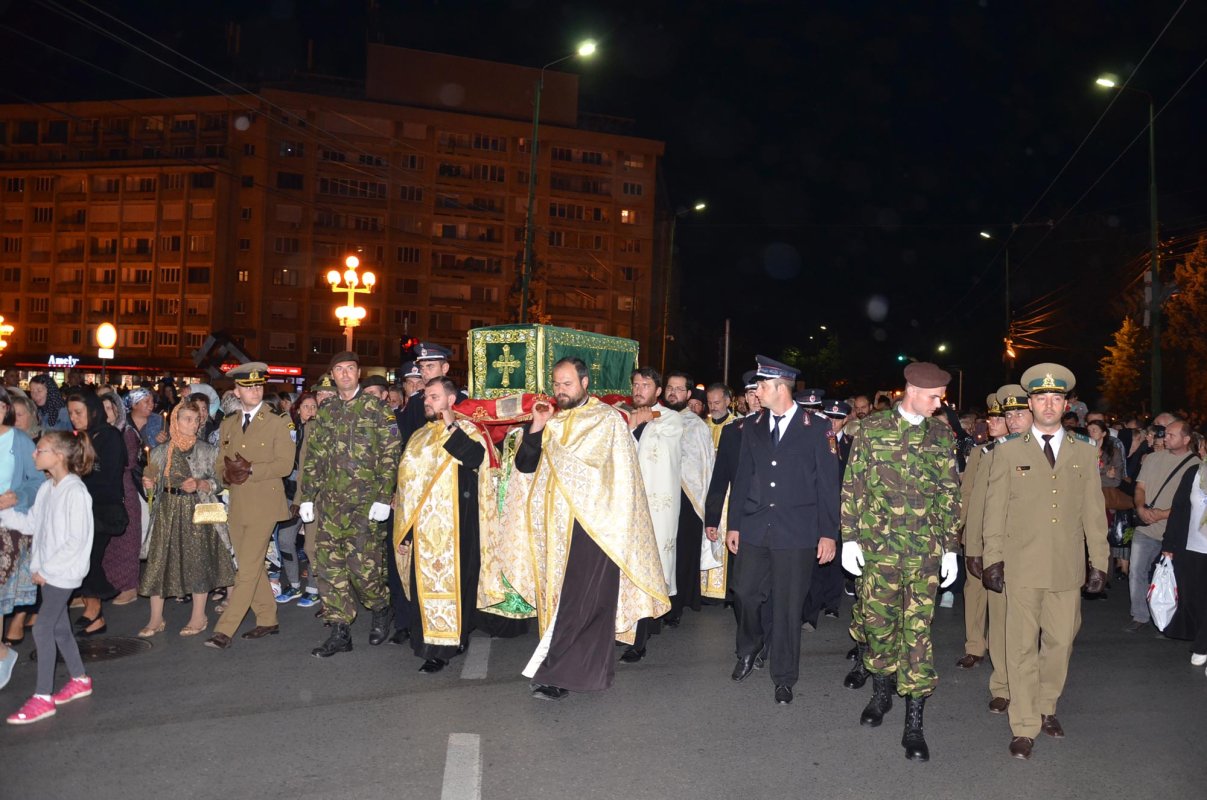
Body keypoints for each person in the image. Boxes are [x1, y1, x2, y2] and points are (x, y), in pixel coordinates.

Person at [493, 357, 669, 700]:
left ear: (585, 384)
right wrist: (538, 428)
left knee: (583, 603)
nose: (560, 390)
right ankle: (580, 672)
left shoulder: (606, 421)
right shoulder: (551, 421)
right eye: (557, 384)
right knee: (564, 602)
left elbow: (618, 478)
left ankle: (557, 675)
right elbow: (526, 467)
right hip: (554, 531)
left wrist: (559, 456)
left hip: (595, 527)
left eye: (567, 384)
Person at [981, 363, 1109, 760]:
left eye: (1056, 398)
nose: (1049, 405)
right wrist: (992, 558)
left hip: (1066, 568)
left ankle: (1046, 705)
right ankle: (1024, 725)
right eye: (1041, 398)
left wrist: (1099, 561)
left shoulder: (1084, 453)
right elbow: (994, 509)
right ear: (1031, 403)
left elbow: (1093, 511)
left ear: (1066, 404)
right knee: (1019, 647)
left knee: (1060, 643)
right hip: (1021, 566)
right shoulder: (1008, 451)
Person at [841, 362, 960, 761]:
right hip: (878, 550)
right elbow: (853, 484)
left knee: (918, 634)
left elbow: (949, 495)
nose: (938, 403)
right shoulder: (871, 430)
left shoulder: (942, 434)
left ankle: (914, 720)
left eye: (940, 397)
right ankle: (881, 695)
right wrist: (850, 537)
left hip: (925, 552)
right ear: (911, 390)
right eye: (933, 397)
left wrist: (950, 548)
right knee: (878, 626)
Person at [728, 356, 839, 707]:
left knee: (788, 607)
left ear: (779, 387)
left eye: (761, 386)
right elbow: (742, 475)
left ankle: (784, 677)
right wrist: (734, 524)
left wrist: (828, 533)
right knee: (744, 593)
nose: (756, 392)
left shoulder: (816, 428)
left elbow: (827, 485)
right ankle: (750, 645)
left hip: (797, 532)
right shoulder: (754, 425)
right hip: (755, 526)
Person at [299, 352, 399, 657]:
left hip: (365, 505)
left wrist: (384, 497)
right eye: (339, 370)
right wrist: (306, 496)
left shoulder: (377, 408)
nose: (344, 374)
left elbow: (391, 453)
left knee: (364, 571)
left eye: (350, 369)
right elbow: (314, 457)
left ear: (359, 373)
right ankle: (340, 629)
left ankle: (381, 608)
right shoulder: (326, 411)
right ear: (332, 374)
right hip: (330, 505)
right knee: (329, 569)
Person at [393, 377, 492, 673]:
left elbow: (474, 458)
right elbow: (408, 485)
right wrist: (407, 527)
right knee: (424, 590)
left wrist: (451, 426)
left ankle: (445, 648)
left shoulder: (469, 429)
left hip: (457, 527)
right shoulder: (419, 437)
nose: (427, 401)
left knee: (455, 587)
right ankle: (429, 642)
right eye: (426, 397)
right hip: (423, 529)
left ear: (450, 400)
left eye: (434, 397)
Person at [1, 430, 96, 725]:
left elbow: (76, 541)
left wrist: (47, 569)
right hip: (50, 571)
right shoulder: (47, 488)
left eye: (39, 449)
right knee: (58, 629)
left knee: (42, 629)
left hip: (63, 574)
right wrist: (4, 513)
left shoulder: (75, 491)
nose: (33, 454)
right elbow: (32, 523)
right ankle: (79, 678)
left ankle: (43, 697)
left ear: (58, 455)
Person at [205, 363, 295, 650]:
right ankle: (268, 619)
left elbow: (285, 465)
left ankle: (225, 630)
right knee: (248, 565)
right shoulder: (228, 423)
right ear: (236, 391)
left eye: (258, 386)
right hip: (239, 503)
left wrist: (251, 469)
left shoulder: (279, 421)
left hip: (265, 504)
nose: (255, 390)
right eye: (248, 387)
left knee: (245, 570)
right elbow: (220, 461)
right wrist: (225, 474)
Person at [137, 401, 233, 637]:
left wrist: (201, 483)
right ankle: (156, 618)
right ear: (175, 422)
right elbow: (151, 484)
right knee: (159, 562)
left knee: (197, 561)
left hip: (199, 510)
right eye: (186, 419)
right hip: (168, 511)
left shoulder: (208, 451)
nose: (192, 423)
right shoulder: (160, 451)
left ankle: (199, 616)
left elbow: (222, 481)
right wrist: (148, 483)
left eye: (195, 419)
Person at [622, 367, 682, 662]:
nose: (639, 389)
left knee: (649, 568)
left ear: (658, 391)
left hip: (655, 510)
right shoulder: (622, 416)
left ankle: (640, 640)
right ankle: (623, 629)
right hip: (624, 507)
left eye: (646, 384)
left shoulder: (671, 419)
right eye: (635, 384)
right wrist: (633, 424)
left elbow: (659, 451)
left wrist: (641, 425)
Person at [1127, 419, 1200, 631]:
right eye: (1165, 434)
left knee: (1175, 577)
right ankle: (1139, 615)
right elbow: (1140, 487)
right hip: (1146, 526)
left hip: (1175, 532)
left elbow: (1191, 504)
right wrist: (1140, 508)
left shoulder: (1195, 466)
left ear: (1186, 439)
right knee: (1137, 571)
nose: (1164, 438)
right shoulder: (1152, 459)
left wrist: (1163, 515)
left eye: (1171, 435)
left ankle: (1171, 619)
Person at [66, 390, 128, 638]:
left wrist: (77, 479)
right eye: (70, 413)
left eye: (78, 412)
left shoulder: (109, 436)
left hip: (101, 510)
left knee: (89, 559)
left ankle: (96, 605)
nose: (73, 417)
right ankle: (95, 610)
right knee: (83, 559)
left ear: (92, 411)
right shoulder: (82, 436)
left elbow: (109, 477)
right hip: (81, 509)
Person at [0, 388, 46, 685]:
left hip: (7, 525)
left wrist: (17, 496)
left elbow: (38, 479)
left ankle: (1, 656)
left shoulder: (19, 440)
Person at [662, 371, 715, 630]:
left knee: (681, 554)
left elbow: (702, 465)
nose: (673, 392)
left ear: (688, 394)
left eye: (679, 389)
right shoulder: (656, 419)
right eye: (669, 388)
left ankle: (677, 604)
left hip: (687, 498)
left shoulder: (696, 425)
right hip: (660, 496)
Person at [801, 398, 853, 631]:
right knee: (816, 559)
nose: (833, 422)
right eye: (829, 417)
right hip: (816, 506)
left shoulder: (852, 445)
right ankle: (809, 613)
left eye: (838, 418)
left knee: (837, 558)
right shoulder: (814, 439)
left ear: (845, 420)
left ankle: (832, 602)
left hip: (844, 509)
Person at [95, 390, 142, 607]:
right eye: (101, 408)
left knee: (125, 541)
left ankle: (129, 587)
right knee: (107, 543)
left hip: (123, 490)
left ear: (117, 409)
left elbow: (128, 463)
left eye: (108, 408)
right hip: (105, 490)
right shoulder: (98, 433)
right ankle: (109, 584)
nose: (105, 413)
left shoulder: (127, 433)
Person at [1160, 460, 1207, 668]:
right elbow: (1178, 509)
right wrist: (1169, 543)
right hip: (1193, 548)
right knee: (1194, 600)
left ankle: (1202, 645)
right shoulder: (1194, 473)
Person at [275, 392, 318, 606]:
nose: (310, 410)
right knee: (284, 539)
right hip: (290, 495)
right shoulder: (289, 429)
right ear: (298, 408)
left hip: (313, 496)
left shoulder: (320, 432)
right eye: (306, 406)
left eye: (314, 406)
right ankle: (293, 584)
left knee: (312, 545)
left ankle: (313, 587)